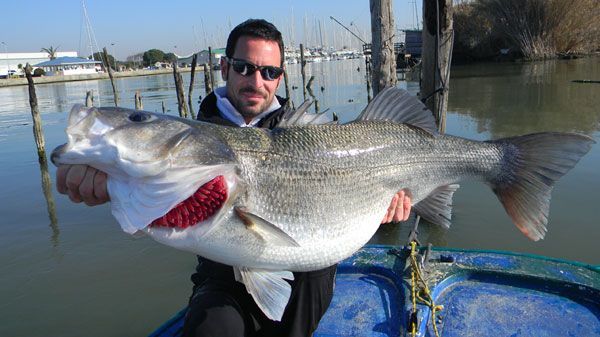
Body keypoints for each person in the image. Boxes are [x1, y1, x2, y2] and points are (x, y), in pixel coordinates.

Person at [56, 19, 412, 337]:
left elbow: (354, 201)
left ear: (280, 77)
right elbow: (150, 182)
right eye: (244, 67)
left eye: (269, 72)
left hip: (307, 274)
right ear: (225, 67)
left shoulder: (304, 135)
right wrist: (100, 173)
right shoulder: (201, 135)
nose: (257, 81)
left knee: (316, 273)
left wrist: (385, 209)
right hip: (222, 275)